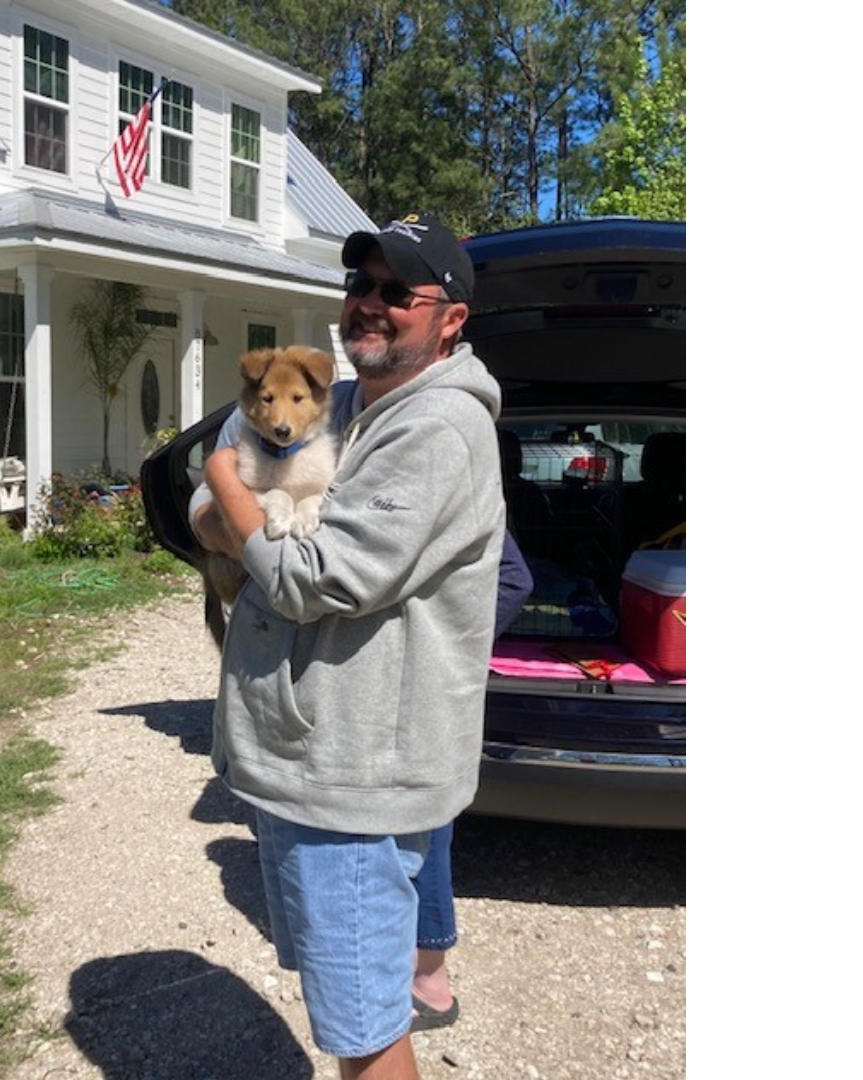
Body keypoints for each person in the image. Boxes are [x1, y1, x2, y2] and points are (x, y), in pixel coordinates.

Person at [190, 211, 504, 1079]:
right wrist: (224, 504)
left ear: (450, 319)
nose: (368, 303)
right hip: (311, 758)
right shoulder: (351, 404)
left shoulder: (435, 429)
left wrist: (222, 486)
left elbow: (310, 578)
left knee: (368, 1037)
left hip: (358, 779)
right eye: (359, 284)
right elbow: (217, 512)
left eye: (397, 291)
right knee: (351, 1014)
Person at [410, 531, 530, 1031]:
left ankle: (430, 981)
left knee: (426, 821)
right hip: (412, 677)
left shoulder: (437, 459)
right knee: (416, 821)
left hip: (424, 677)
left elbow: (513, 580)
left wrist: (451, 643)